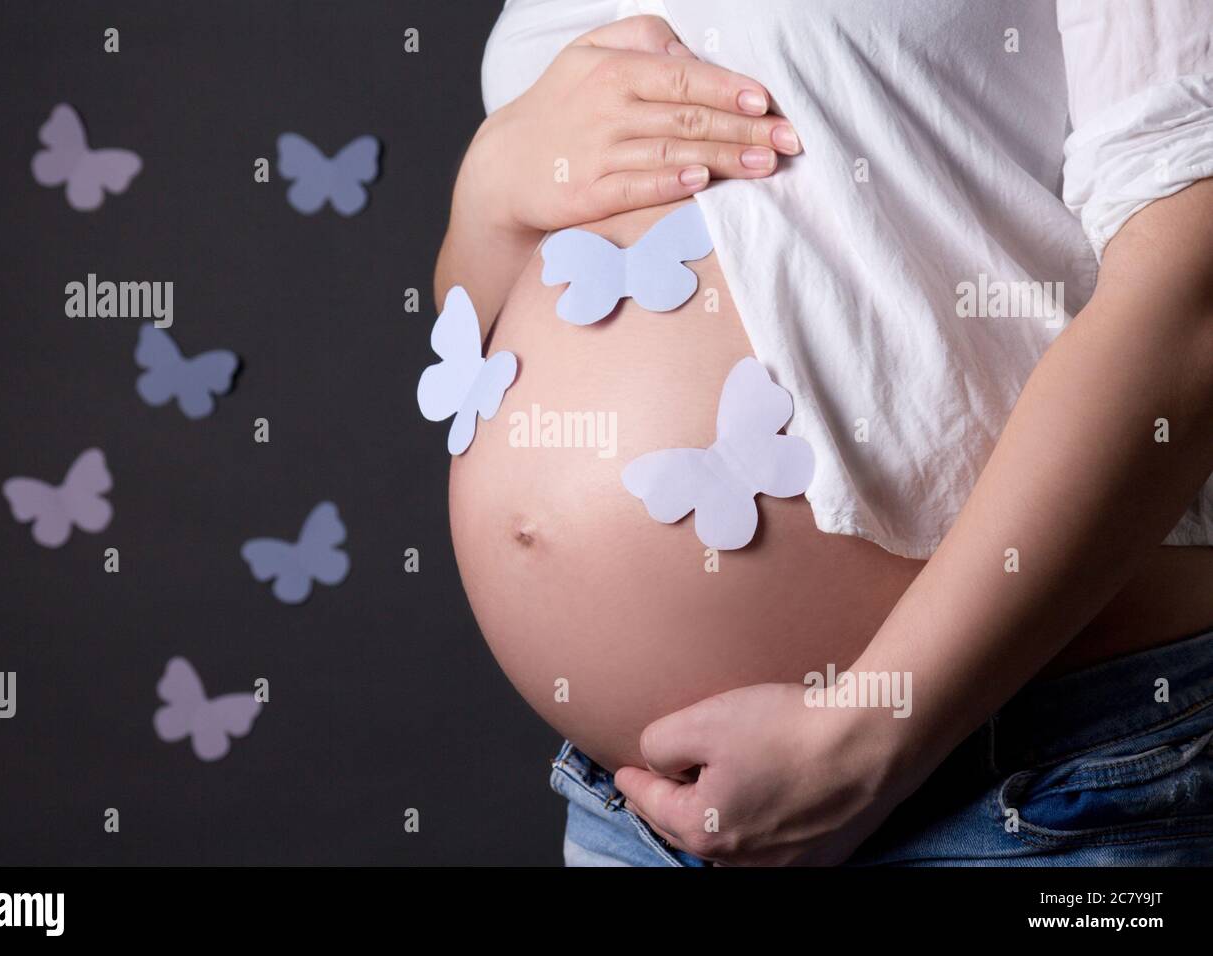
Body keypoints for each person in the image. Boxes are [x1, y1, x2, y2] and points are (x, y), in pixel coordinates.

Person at [437, 0, 1213, 865]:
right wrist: (489, 195)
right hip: (639, 811)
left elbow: (1189, 300)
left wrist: (870, 737)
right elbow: (486, 335)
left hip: (1030, 791)